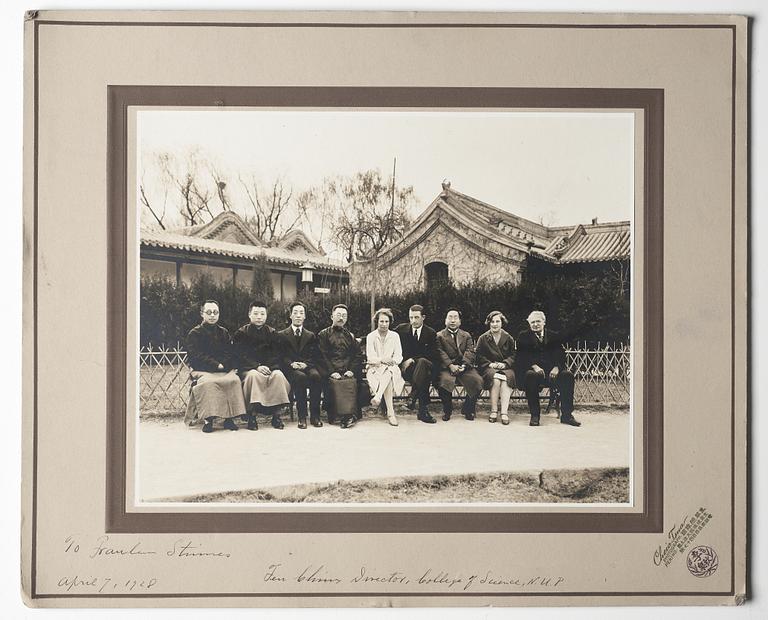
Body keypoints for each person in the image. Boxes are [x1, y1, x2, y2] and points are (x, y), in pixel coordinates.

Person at [183, 300, 247, 433]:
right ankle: (208, 419)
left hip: (222, 369)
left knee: (233, 380)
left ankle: (229, 419)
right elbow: (196, 356)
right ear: (202, 314)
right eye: (209, 312)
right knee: (209, 383)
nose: (212, 315)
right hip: (202, 369)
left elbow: (230, 352)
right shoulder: (194, 334)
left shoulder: (223, 332)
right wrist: (215, 364)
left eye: (215, 312)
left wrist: (224, 365)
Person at [514, 310, 580, 427]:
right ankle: (535, 415)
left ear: (544, 322)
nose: (535, 324)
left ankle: (567, 415)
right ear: (529, 324)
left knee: (567, 376)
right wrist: (533, 366)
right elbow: (520, 357)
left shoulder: (553, 336)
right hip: (532, 373)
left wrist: (556, 367)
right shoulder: (523, 336)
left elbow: (561, 355)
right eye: (532, 322)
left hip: (551, 373)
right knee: (531, 375)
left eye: (538, 321)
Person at [233, 301, 291, 430]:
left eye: (262, 314)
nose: (259, 317)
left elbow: (277, 355)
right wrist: (257, 366)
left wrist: (269, 367)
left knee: (278, 375)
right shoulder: (241, 333)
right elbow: (240, 356)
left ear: (266, 315)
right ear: (249, 315)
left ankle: (276, 415)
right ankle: (252, 415)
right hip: (249, 369)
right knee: (254, 376)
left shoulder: (272, 333)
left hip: (269, 367)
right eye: (256, 313)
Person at [316, 304, 364, 429]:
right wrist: (331, 371)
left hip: (347, 370)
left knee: (350, 381)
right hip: (330, 371)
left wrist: (351, 370)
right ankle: (343, 415)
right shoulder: (323, 335)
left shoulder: (350, 336)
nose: (341, 318)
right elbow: (322, 356)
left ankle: (348, 416)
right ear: (332, 316)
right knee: (336, 382)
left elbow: (358, 355)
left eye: (344, 316)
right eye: (338, 315)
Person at [278, 301, 323, 429]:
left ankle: (315, 416)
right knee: (300, 378)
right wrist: (291, 364)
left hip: (307, 366)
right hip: (290, 369)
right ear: (290, 316)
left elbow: (315, 355)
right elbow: (281, 356)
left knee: (316, 376)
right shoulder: (282, 335)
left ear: (305, 317)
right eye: (295, 313)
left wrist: (305, 364)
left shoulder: (310, 335)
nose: (298, 316)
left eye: (301, 313)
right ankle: (302, 416)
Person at [435, 308, 483, 421]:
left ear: (460, 321)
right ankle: (447, 410)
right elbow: (440, 352)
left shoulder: (466, 336)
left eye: (455, 317)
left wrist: (464, 365)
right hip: (447, 368)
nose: (452, 320)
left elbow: (470, 351)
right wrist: (450, 365)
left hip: (464, 367)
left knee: (478, 381)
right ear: (445, 321)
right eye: (450, 317)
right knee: (444, 382)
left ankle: (468, 408)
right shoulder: (439, 336)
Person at [394, 304, 437, 423]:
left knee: (423, 363)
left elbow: (433, 355)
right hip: (407, 371)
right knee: (424, 376)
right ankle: (423, 411)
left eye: (416, 317)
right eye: (411, 317)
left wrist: (412, 358)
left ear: (423, 317)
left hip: (425, 366)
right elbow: (385, 334)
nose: (413, 321)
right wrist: (361, 339)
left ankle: (413, 397)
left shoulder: (431, 333)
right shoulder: (401, 329)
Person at [476, 310, 517, 425]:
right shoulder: (483, 338)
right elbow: (478, 355)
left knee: (507, 379)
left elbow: (513, 354)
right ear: (489, 323)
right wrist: (489, 364)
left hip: (506, 367)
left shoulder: (508, 337)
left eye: (497, 321)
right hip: (489, 367)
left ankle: (504, 412)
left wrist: (505, 363)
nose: (495, 324)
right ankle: (494, 411)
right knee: (495, 378)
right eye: (492, 322)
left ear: (502, 323)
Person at [366, 308, 405, 426]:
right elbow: (370, 357)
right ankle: (391, 414)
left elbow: (399, 356)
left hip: (391, 367)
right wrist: (382, 360)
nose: (384, 324)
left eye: (386, 321)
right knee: (387, 376)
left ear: (390, 322)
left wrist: (392, 361)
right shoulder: (371, 336)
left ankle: (378, 397)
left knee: (388, 372)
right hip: (374, 368)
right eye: (381, 321)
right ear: (377, 322)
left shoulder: (395, 336)